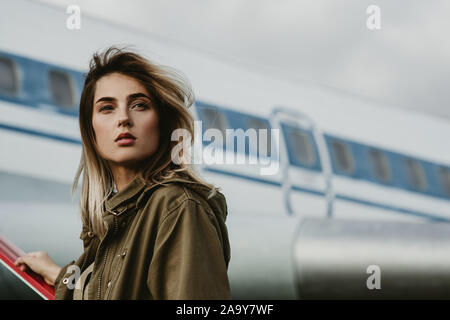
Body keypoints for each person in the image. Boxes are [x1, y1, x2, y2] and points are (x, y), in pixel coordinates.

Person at [14, 46, 231, 300]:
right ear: (91, 131)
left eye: (139, 105)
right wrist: (60, 275)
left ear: (162, 124)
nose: (124, 119)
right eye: (107, 108)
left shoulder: (177, 206)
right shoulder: (116, 222)